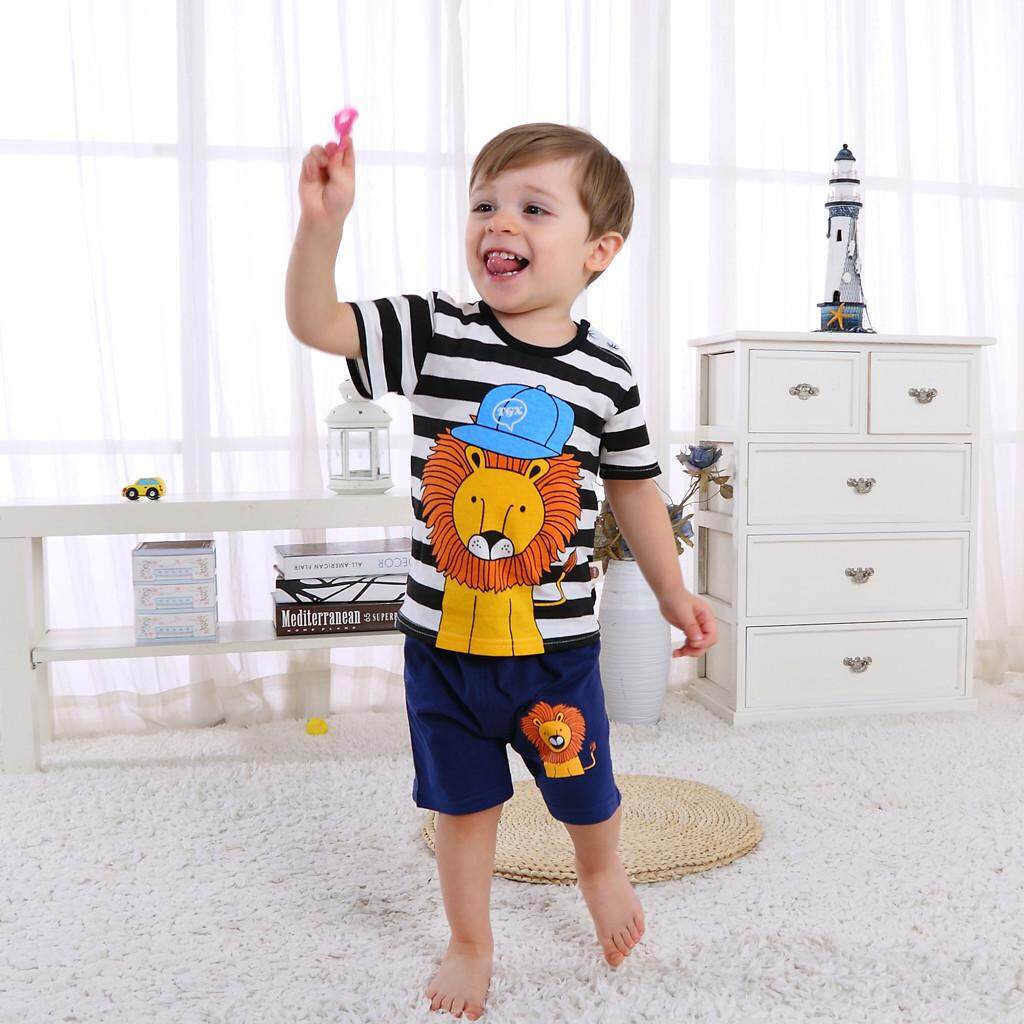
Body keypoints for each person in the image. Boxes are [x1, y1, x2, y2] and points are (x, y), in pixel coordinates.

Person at [285, 121, 718, 1021]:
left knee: (586, 790)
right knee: (464, 805)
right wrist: (322, 228)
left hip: (555, 654)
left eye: (533, 207)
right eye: (484, 203)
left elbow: (636, 490)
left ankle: (600, 870)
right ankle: (470, 940)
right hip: (442, 647)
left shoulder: (607, 374)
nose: (500, 222)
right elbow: (317, 323)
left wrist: (673, 591)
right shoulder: (435, 330)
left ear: (599, 250)